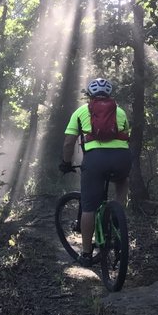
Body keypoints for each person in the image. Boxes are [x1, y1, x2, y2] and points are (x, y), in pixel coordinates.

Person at [59, 77, 131, 263]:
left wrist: (66, 163)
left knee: (89, 207)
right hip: (122, 158)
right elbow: (126, 137)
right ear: (109, 94)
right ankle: (118, 214)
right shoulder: (120, 111)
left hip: (96, 160)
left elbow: (69, 142)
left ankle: (86, 253)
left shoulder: (82, 111)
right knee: (123, 180)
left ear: (90, 94)